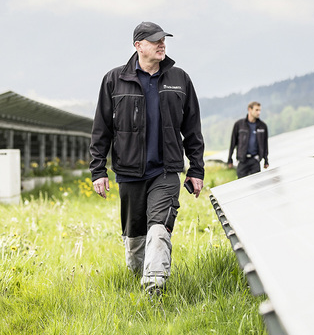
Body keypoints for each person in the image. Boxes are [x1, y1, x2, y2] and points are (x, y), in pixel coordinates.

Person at [89, 21, 205, 298]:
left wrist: (196, 169)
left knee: (160, 228)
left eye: (163, 40)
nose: (162, 44)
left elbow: (192, 128)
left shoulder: (179, 79)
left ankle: (153, 288)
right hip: (128, 171)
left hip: (166, 170)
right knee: (135, 235)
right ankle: (136, 274)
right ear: (138, 46)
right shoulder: (114, 80)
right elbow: (101, 129)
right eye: (155, 41)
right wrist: (98, 171)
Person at [227, 101, 269, 178]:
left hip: (255, 161)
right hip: (242, 161)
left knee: (256, 186)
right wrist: (230, 159)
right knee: (241, 186)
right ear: (250, 109)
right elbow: (233, 143)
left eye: (260, 110)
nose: (259, 112)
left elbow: (265, 144)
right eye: (256, 110)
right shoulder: (239, 125)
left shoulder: (263, 126)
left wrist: (266, 160)